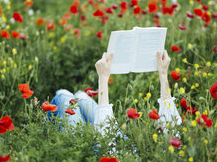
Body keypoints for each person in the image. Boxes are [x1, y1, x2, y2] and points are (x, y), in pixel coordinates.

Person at [48, 50, 182, 133]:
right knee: (80, 96)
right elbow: (172, 127)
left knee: (63, 96)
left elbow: (106, 138)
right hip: (123, 146)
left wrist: (103, 78)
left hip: (111, 151)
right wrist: (163, 74)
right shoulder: (172, 151)